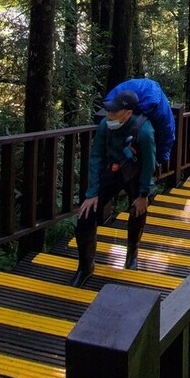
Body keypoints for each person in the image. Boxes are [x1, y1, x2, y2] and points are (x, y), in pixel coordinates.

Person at [71, 89, 156, 287]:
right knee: (85, 215)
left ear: (127, 113)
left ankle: (132, 252)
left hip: (136, 172)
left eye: (114, 112)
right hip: (114, 169)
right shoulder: (105, 126)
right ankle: (85, 266)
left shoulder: (144, 132)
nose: (109, 115)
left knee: (137, 209)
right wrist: (92, 193)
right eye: (108, 111)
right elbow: (96, 156)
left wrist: (144, 194)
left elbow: (149, 165)